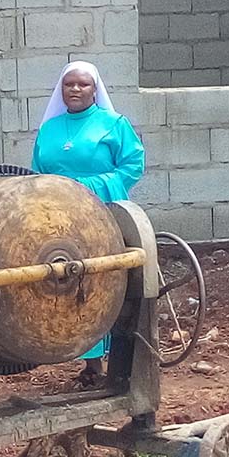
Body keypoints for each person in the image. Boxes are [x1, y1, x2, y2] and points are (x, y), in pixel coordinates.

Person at [32, 61, 146, 383]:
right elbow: (38, 171)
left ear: (95, 90)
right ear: (61, 90)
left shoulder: (113, 124)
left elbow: (133, 164)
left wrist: (96, 187)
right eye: (70, 85)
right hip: (59, 214)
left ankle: (116, 359)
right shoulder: (49, 129)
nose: (76, 90)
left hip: (100, 212)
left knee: (100, 279)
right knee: (66, 278)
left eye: (83, 85)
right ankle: (88, 361)